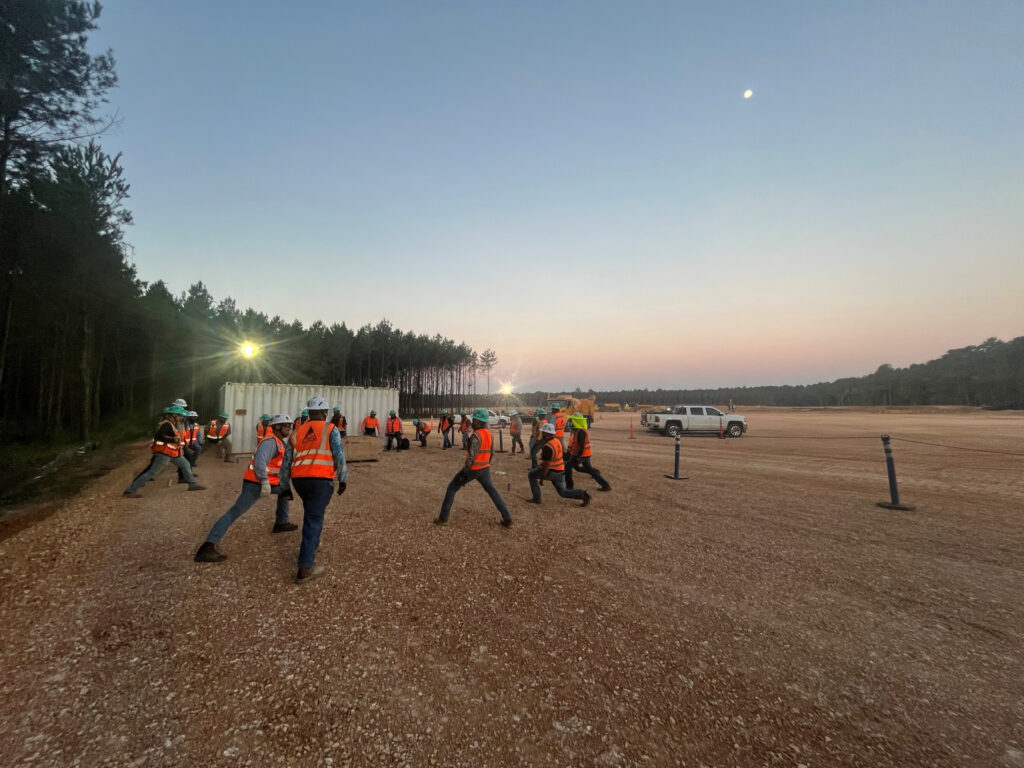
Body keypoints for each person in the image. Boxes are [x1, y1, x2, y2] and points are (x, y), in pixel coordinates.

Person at [194, 414, 298, 563]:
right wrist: (264, 482)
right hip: (255, 483)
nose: (289, 429)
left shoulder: (277, 441)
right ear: (278, 427)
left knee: (285, 493)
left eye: (290, 426)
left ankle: (281, 523)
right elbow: (259, 464)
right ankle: (207, 547)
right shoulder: (270, 442)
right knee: (234, 512)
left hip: (265, 482)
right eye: (287, 426)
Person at [279, 396, 347, 584]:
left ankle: (313, 545)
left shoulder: (296, 433)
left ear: (309, 412)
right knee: (313, 519)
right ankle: (306, 567)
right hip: (320, 480)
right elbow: (338, 454)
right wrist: (343, 478)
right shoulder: (330, 429)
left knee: (312, 513)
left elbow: (286, 462)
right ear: (325, 413)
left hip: (299, 481)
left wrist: (284, 486)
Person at [434, 407, 512, 528]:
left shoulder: (476, 436)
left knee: (452, 488)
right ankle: (507, 518)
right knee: (492, 491)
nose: (472, 422)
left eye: (474, 420)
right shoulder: (489, 435)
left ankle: (443, 518)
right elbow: (491, 453)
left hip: (473, 469)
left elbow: (471, 457)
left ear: (477, 421)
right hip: (484, 468)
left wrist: (465, 473)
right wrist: (486, 464)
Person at [123, 406, 206, 497]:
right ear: (173, 415)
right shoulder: (166, 424)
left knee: (185, 465)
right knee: (152, 472)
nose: (181, 418)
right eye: (180, 416)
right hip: (164, 453)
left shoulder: (172, 424)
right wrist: (174, 440)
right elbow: (159, 437)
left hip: (172, 452)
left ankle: (193, 484)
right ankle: (130, 491)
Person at [526, 422, 591, 507]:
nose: (542, 433)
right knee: (563, 492)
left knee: (531, 475)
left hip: (552, 471)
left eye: (543, 432)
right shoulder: (556, 441)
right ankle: (582, 494)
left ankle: (537, 498)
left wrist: (542, 477)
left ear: (546, 433)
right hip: (560, 470)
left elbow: (546, 464)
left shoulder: (547, 447)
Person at [564, 414, 611, 492]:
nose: (570, 423)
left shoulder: (581, 431)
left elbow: (581, 446)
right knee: (589, 470)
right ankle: (605, 485)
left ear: (577, 421)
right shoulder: (576, 430)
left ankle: (569, 486)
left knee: (568, 467)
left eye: (572, 421)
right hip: (583, 455)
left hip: (581, 455)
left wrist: (578, 457)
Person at [177, 410, 202, 483]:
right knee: (185, 458)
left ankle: (186, 476)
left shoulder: (187, 424)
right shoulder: (182, 424)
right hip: (182, 444)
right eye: (192, 417)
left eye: (195, 417)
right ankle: (186, 476)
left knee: (189, 456)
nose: (193, 418)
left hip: (187, 443)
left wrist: (200, 442)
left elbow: (198, 435)